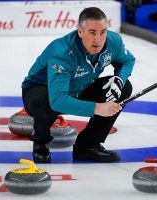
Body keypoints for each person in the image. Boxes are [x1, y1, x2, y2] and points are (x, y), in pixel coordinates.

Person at [21, 7, 135, 163]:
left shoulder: (113, 42)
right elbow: (58, 101)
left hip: (81, 87)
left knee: (123, 88)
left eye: (103, 32)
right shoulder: (62, 52)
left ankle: (87, 146)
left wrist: (119, 79)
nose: (98, 40)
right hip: (43, 92)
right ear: (80, 32)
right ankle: (40, 142)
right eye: (92, 32)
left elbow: (127, 60)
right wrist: (97, 108)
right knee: (43, 99)